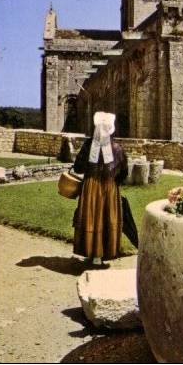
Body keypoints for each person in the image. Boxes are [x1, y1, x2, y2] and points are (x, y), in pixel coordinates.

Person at [72, 111, 132, 266]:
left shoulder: (88, 146)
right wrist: (113, 180)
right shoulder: (118, 148)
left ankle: (93, 253)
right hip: (109, 188)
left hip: (91, 187)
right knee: (106, 216)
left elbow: (78, 168)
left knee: (92, 217)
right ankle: (103, 253)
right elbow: (124, 173)